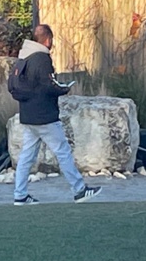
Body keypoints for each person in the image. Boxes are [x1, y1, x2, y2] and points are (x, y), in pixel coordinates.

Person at [9, 24, 102, 205]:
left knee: (27, 156)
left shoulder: (23, 58)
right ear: (48, 40)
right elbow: (48, 84)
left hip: (28, 115)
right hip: (45, 116)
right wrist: (64, 89)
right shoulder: (42, 58)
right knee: (63, 152)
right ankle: (79, 190)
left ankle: (20, 194)